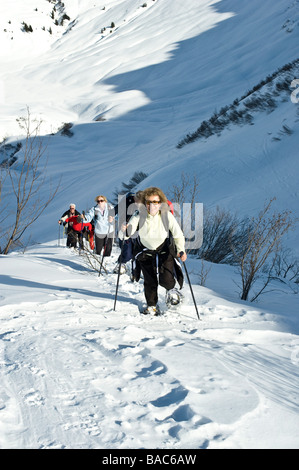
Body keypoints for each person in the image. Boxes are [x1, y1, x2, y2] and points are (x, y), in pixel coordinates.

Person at [123, 187, 187, 315]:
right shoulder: (139, 214)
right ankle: (151, 305)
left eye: (156, 202)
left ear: (161, 203)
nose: (152, 205)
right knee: (149, 280)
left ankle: (172, 292)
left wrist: (181, 250)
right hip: (145, 251)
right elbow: (126, 233)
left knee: (166, 278)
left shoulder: (166, 215)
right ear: (145, 203)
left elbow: (177, 234)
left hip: (164, 250)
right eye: (149, 202)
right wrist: (126, 231)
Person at [113, 191, 143, 275]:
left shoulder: (143, 205)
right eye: (137, 201)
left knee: (136, 252)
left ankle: (137, 269)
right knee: (127, 251)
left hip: (136, 232)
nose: (137, 203)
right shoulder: (126, 201)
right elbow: (116, 209)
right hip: (123, 229)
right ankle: (121, 265)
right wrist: (111, 215)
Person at [84, 195, 115, 261]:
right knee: (98, 249)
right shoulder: (95, 209)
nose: (100, 202)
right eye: (98, 201)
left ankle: (106, 263)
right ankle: (96, 262)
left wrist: (112, 218)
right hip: (99, 231)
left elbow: (117, 215)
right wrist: (84, 218)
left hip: (109, 231)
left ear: (105, 201)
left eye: (101, 201)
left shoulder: (110, 207)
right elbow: (88, 217)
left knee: (108, 249)